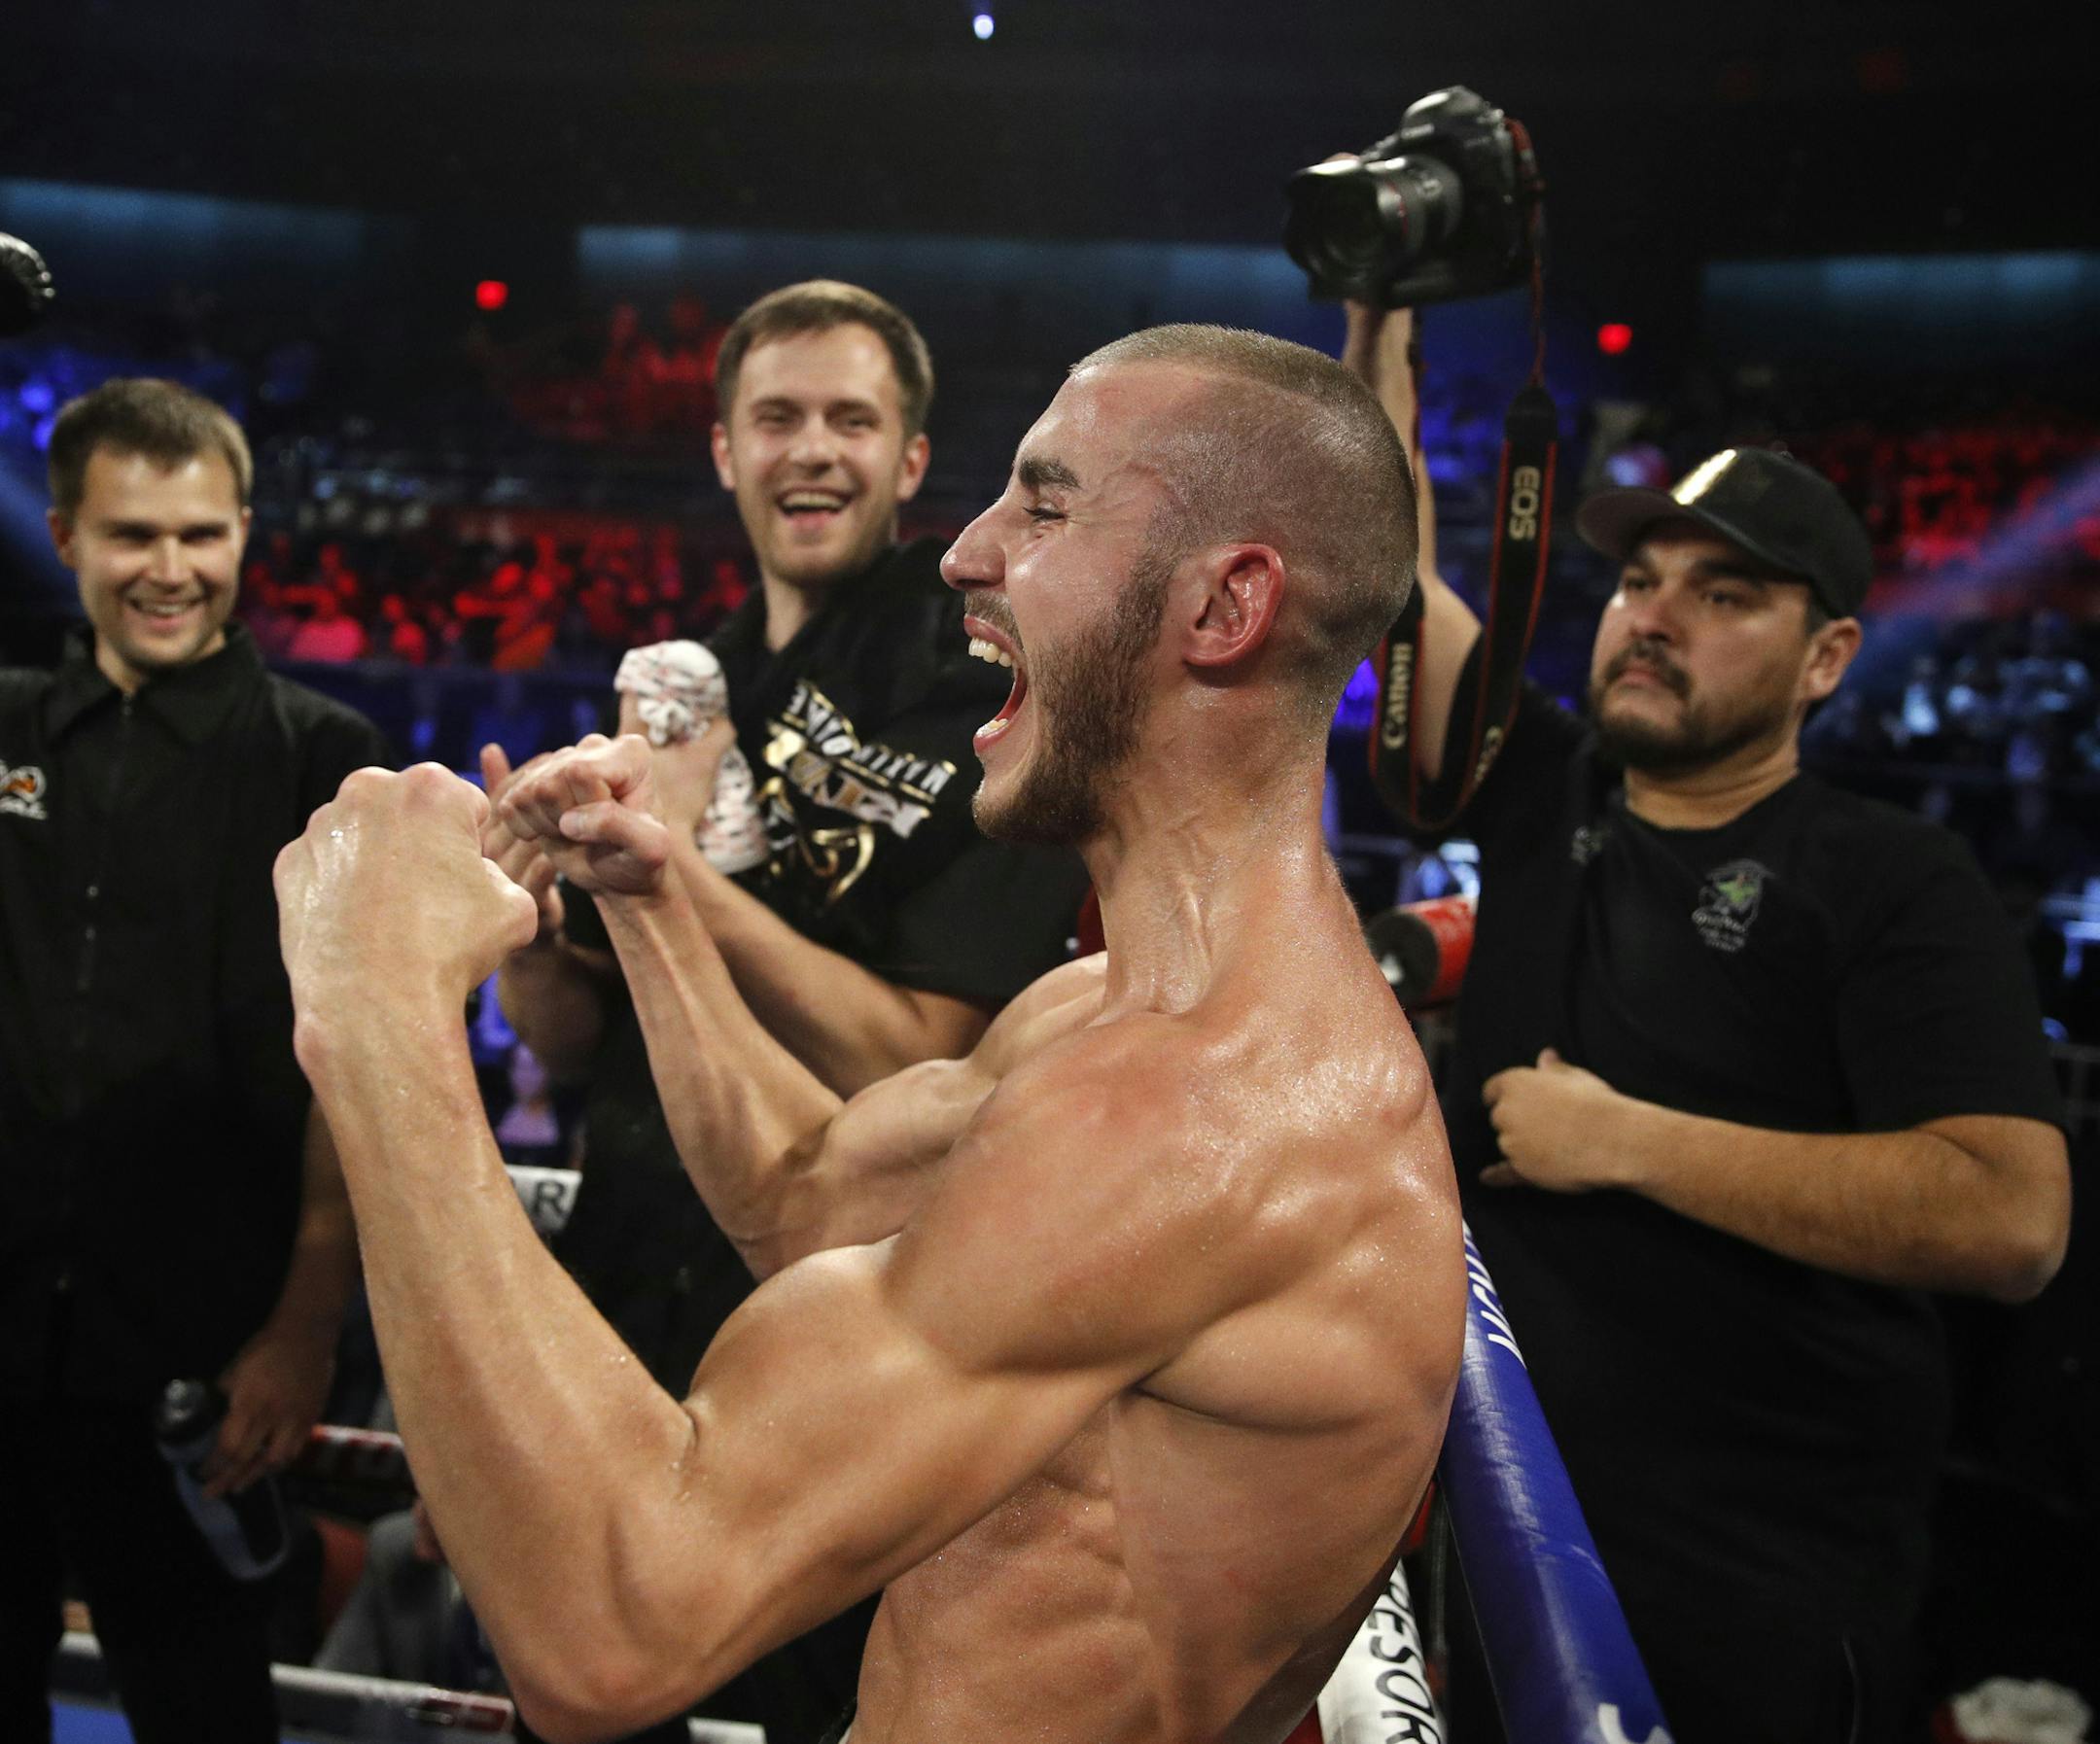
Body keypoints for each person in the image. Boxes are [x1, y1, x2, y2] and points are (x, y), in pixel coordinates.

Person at [272, 323, 1465, 1744]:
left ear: (1224, 609)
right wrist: (654, 897)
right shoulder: (1108, 1013)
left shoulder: (1204, 1116)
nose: (964, 549)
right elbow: (806, 1197)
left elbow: (612, 1625)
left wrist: (374, 1008)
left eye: (1046, 501)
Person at [1343, 304, 2072, 1743]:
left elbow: (2013, 1213)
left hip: (1755, 1584)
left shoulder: (1889, 874)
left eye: (1726, 593)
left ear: (1826, 657)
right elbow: (1394, 571)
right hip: (1494, 1519)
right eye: (1643, 579)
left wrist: (1626, 1141)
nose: (1655, 613)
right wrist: (1380, 318)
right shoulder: (1547, 793)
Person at [485, 282, 1091, 1737]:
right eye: (777, 417)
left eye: (849, 419)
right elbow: (575, 1044)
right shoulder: (686, 690)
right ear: (720, 451)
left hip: (846, 1363)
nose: (811, 449)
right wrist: (526, 921)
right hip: (630, 1300)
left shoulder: (991, 700)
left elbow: (932, 1049)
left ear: (909, 457)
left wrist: (673, 875)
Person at [0, 378, 391, 1743]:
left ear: (242, 533)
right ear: (64, 535)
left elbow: (358, 1065)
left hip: (199, 1359)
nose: (169, 569)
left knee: (201, 1713)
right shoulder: (3, 736)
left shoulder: (321, 756)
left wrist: (304, 1320)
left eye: (198, 533)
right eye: (131, 535)